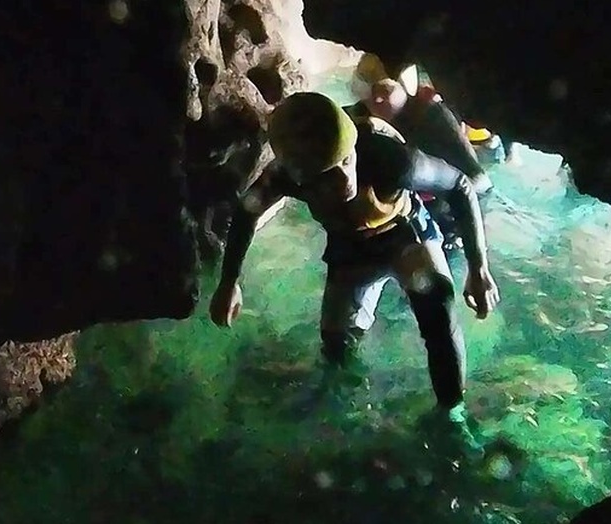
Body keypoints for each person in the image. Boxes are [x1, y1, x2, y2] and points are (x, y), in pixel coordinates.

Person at [209, 91, 500, 450]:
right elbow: (247, 211)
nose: (344, 179)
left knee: (436, 303)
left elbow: (460, 185)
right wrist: (228, 282)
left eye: (346, 162)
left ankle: (452, 414)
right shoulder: (284, 175)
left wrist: (478, 267)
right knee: (336, 347)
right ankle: (342, 405)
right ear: (302, 179)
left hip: (402, 233)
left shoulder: (390, 159)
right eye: (327, 176)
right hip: (350, 248)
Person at [345, 55, 494, 259]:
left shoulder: (432, 118)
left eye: (383, 92)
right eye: (368, 94)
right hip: (408, 204)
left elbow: (479, 182)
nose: (376, 101)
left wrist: (427, 195)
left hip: (451, 212)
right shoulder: (364, 113)